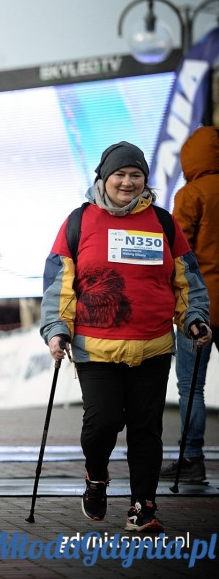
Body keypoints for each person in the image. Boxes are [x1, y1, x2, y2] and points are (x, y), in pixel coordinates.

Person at [40, 141, 211, 534]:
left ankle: (142, 507)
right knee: (101, 425)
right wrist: (56, 330)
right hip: (95, 349)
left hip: (152, 346)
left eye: (136, 175)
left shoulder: (164, 223)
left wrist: (194, 319)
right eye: (120, 174)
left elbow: (187, 281)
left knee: (146, 428)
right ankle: (96, 477)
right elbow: (60, 286)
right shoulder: (79, 222)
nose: (128, 182)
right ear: (104, 177)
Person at [161, 126, 219, 484]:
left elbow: (177, 253)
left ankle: (192, 460)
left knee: (192, 386)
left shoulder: (191, 194)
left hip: (201, 306)